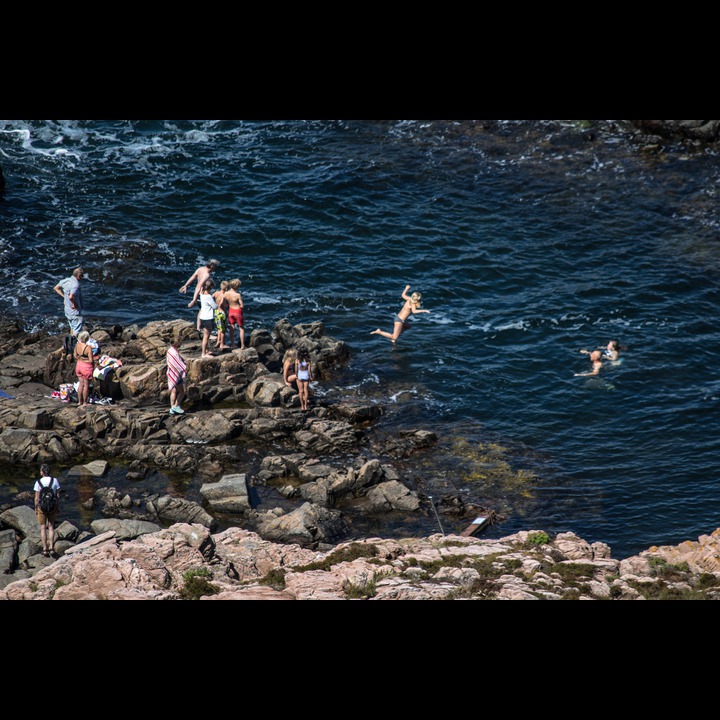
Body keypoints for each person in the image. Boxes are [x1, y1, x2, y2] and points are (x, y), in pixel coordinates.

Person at [179, 259, 220, 331]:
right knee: (204, 311)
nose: (216, 268)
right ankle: (205, 329)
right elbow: (198, 286)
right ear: (212, 266)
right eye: (216, 267)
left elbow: (192, 277)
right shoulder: (207, 275)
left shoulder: (200, 269)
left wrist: (186, 285)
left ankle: (198, 328)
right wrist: (193, 300)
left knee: (200, 310)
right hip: (202, 294)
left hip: (200, 294)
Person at [34, 464, 60, 558]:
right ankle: (52, 548)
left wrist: (36, 508)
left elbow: (37, 498)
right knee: (51, 527)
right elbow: (57, 496)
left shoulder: (38, 482)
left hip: (42, 508)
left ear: (42, 472)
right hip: (52, 507)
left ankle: (45, 549)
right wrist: (57, 507)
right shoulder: (55, 481)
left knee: (43, 527)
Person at [53, 267, 84, 336]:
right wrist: (74, 304)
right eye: (82, 276)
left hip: (67, 310)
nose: (82, 278)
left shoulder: (66, 281)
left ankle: (70, 342)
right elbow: (71, 296)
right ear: (79, 276)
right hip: (74, 311)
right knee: (77, 329)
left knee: (72, 327)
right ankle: (75, 344)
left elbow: (56, 288)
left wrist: (64, 296)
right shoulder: (75, 284)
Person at [74, 330, 97, 406]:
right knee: (86, 385)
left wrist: (81, 359)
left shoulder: (77, 345)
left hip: (79, 365)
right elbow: (91, 360)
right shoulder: (88, 348)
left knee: (81, 384)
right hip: (86, 368)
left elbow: (75, 356)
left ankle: (79, 402)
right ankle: (85, 402)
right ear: (86, 338)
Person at [167, 336, 188, 415]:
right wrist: (184, 368)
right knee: (182, 392)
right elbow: (179, 365)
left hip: (171, 373)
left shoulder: (169, 350)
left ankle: (172, 408)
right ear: (178, 344)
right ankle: (176, 406)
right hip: (176, 375)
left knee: (174, 391)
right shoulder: (175, 353)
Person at [198, 279, 218, 359]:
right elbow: (215, 307)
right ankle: (203, 354)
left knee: (206, 335)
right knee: (206, 336)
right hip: (208, 318)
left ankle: (205, 350)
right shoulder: (209, 296)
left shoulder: (201, 293)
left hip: (202, 316)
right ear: (211, 287)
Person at [225, 279, 246, 351]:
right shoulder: (238, 295)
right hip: (237, 311)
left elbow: (225, 303)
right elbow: (242, 305)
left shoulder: (226, 293)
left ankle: (233, 344)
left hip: (230, 311)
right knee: (241, 328)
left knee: (231, 327)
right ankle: (242, 345)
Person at [213, 281, 230, 352]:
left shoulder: (216, 293)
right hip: (222, 313)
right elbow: (222, 304)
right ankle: (222, 344)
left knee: (219, 328)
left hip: (216, 312)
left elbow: (211, 298)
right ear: (226, 289)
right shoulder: (224, 295)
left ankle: (218, 342)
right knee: (223, 330)